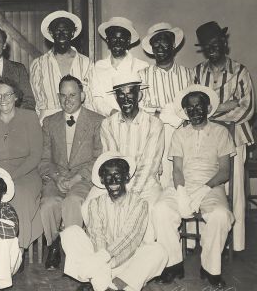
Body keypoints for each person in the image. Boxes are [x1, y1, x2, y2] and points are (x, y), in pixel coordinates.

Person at [82, 72, 183, 284]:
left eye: (130, 94)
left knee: (152, 209)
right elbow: (110, 160)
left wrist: (130, 195)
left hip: (145, 183)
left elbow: (149, 163)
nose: (126, 99)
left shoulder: (153, 124)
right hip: (115, 181)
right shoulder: (108, 124)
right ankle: (102, 257)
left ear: (139, 95)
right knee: (89, 204)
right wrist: (116, 189)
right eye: (120, 95)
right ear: (115, 97)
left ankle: (148, 262)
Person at [61, 152, 168, 291]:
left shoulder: (139, 204)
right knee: (71, 232)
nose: (113, 181)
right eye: (108, 176)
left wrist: (100, 259)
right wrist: (102, 263)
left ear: (127, 177)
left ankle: (112, 285)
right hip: (101, 266)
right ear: (102, 180)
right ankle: (107, 285)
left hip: (127, 264)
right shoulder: (95, 204)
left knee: (159, 251)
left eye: (117, 175)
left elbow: (129, 238)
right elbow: (97, 237)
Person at [193, 21, 253, 252]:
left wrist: (213, 113)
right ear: (204, 49)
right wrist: (225, 106)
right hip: (207, 140)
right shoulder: (198, 72)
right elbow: (195, 106)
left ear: (224, 43)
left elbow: (247, 107)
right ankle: (207, 241)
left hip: (236, 139)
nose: (213, 48)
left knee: (235, 192)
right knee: (209, 186)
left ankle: (236, 244)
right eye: (208, 45)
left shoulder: (240, 71)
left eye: (217, 43)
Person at [170, 85, 235, 288]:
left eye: (199, 106)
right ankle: (173, 265)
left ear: (207, 108)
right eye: (190, 108)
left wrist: (205, 188)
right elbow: (177, 170)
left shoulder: (220, 132)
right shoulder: (179, 134)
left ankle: (210, 269)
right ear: (185, 111)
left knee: (220, 215)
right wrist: (181, 193)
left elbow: (225, 171)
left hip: (212, 186)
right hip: (185, 185)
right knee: (160, 209)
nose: (195, 111)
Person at [39, 75, 104, 270]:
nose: (68, 100)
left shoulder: (97, 121)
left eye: (73, 95)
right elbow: (44, 159)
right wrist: (57, 177)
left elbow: (98, 158)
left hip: (83, 177)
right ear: (58, 97)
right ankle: (54, 244)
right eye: (63, 95)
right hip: (56, 177)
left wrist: (77, 177)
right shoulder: (49, 122)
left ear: (82, 96)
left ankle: (74, 251)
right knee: (48, 203)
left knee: (72, 202)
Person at [0, 77, 43, 253]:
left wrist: (10, 178)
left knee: (20, 194)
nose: (3, 99)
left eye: (8, 95)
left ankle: (18, 250)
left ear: (16, 97)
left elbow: (35, 155)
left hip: (26, 174)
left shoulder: (30, 117)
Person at [139, 23, 193, 190]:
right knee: (160, 185)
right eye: (156, 44)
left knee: (184, 183)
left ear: (174, 45)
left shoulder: (188, 75)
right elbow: (142, 111)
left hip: (184, 134)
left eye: (164, 43)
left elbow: (192, 108)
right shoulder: (142, 76)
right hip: (156, 136)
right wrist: (171, 112)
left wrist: (160, 111)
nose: (160, 47)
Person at [30, 11, 93, 123]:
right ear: (51, 33)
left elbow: (90, 100)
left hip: (80, 121)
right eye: (57, 31)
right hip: (48, 122)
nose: (62, 34)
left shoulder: (86, 63)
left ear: (73, 33)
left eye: (66, 30)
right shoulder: (38, 64)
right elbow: (35, 100)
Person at [90, 17, 148, 117]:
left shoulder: (142, 66)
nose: (117, 43)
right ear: (107, 40)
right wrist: (113, 113)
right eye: (113, 39)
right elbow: (96, 98)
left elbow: (145, 99)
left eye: (121, 39)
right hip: (107, 121)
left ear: (128, 41)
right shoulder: (99, 67)